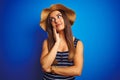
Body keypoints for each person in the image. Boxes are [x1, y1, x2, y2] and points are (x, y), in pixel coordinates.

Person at [40, 4, 83, 80]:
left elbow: (77, 71)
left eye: (59, 16)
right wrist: (57, 43)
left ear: (65, 19)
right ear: (51, 25)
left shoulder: (78, 43)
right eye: (52, 19)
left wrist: (51, 69)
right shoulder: (46, 42)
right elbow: (44, 66)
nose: (56, 20)